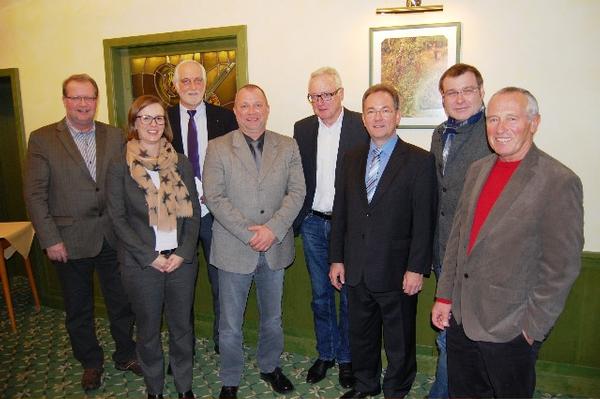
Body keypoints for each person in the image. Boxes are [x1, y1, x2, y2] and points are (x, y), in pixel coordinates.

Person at [431, 87, 584, 398]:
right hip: (461, 319)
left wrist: (531, 330)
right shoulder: (478, 170)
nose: (499, 129)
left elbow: (562, 268)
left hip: (511, 329)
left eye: (511, 119)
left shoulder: (558, 180)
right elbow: (458, 240)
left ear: (534, 122)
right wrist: (445, 297)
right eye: (493, 119)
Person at [24, 74, 141, 392]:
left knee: (121, 301)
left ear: (97, 100)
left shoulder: (114, 135)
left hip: (112, 237)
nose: (83, 104)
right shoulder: (43, 138)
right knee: (79, 308)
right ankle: (91, 362)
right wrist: (50, 239)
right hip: (68, 240)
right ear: (64, 100)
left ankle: (126, 354)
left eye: (89, 98)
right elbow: (35, 195)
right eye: (76, 98)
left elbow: (125, 184)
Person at [329, 84, 437, 398]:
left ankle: (396, 388)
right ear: (363, 118)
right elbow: (342, 212)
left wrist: (416, 268)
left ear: (398, 115)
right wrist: (337, 258)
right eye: (371, 111)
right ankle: (366, 384)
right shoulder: (351, 158)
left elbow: (424, 221)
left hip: (397, 271)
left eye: (385, 110)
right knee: (361, 334)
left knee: (399, 338)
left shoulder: (419, 161)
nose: (378, 117)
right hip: (357, 267)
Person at [203, 84, 305, 399]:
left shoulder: (287, 146)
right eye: (244, 106)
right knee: (231, 323)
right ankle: (230, 378)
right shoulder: (217, 147)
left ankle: (269, 366)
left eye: (257, 105)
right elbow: (214, 197)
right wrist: (250, 232)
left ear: (267, 108)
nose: (251, 112)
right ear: (235, 111)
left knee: (272, 317)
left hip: (275, 246)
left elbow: (297, 191)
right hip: (234, 248)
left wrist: (272, 229)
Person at [106, 95, 201, 399]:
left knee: (182, 329)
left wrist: (183, 253)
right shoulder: (120, 165)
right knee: (147, 333)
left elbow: (194, 213)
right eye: (145, 118)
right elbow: (118, 219)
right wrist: (150, 256)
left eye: (158, 118)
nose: (153, 124)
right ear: (134, 123)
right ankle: (154, 391)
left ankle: (184, 388)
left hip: (180, 262)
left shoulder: (180, 161)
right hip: (141, 264)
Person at [293, 66, 368, 388]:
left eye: (326, 94)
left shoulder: (361, 125)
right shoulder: (302, 129)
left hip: (348, 228)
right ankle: (326, 354)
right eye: (314, 96)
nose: (321, 101)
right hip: (313, 223)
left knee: (350, 297)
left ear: (341, 94)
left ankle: (348, 359)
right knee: (320, 295)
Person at [428, 63, 492, 399]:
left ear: (482, 92)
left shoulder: (493, 134)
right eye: (452, 92)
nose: (460, 98)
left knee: (467, 339)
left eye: (468, 90)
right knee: (448, 334)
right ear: (443, 98)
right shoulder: (439, 133)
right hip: (444, 254)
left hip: (480, 259)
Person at [168, 59, 238, 354]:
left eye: (197, 80)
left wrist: (221, 192)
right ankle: (183, 348)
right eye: (185, 81)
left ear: (205, 84)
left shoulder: (226, 118)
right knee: (178, 288)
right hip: (175, 218)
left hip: (216, 216)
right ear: (175, 86)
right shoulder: (161, 119)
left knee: (221, 283)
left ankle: (224, 343)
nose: (192, 86)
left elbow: (238, 165)